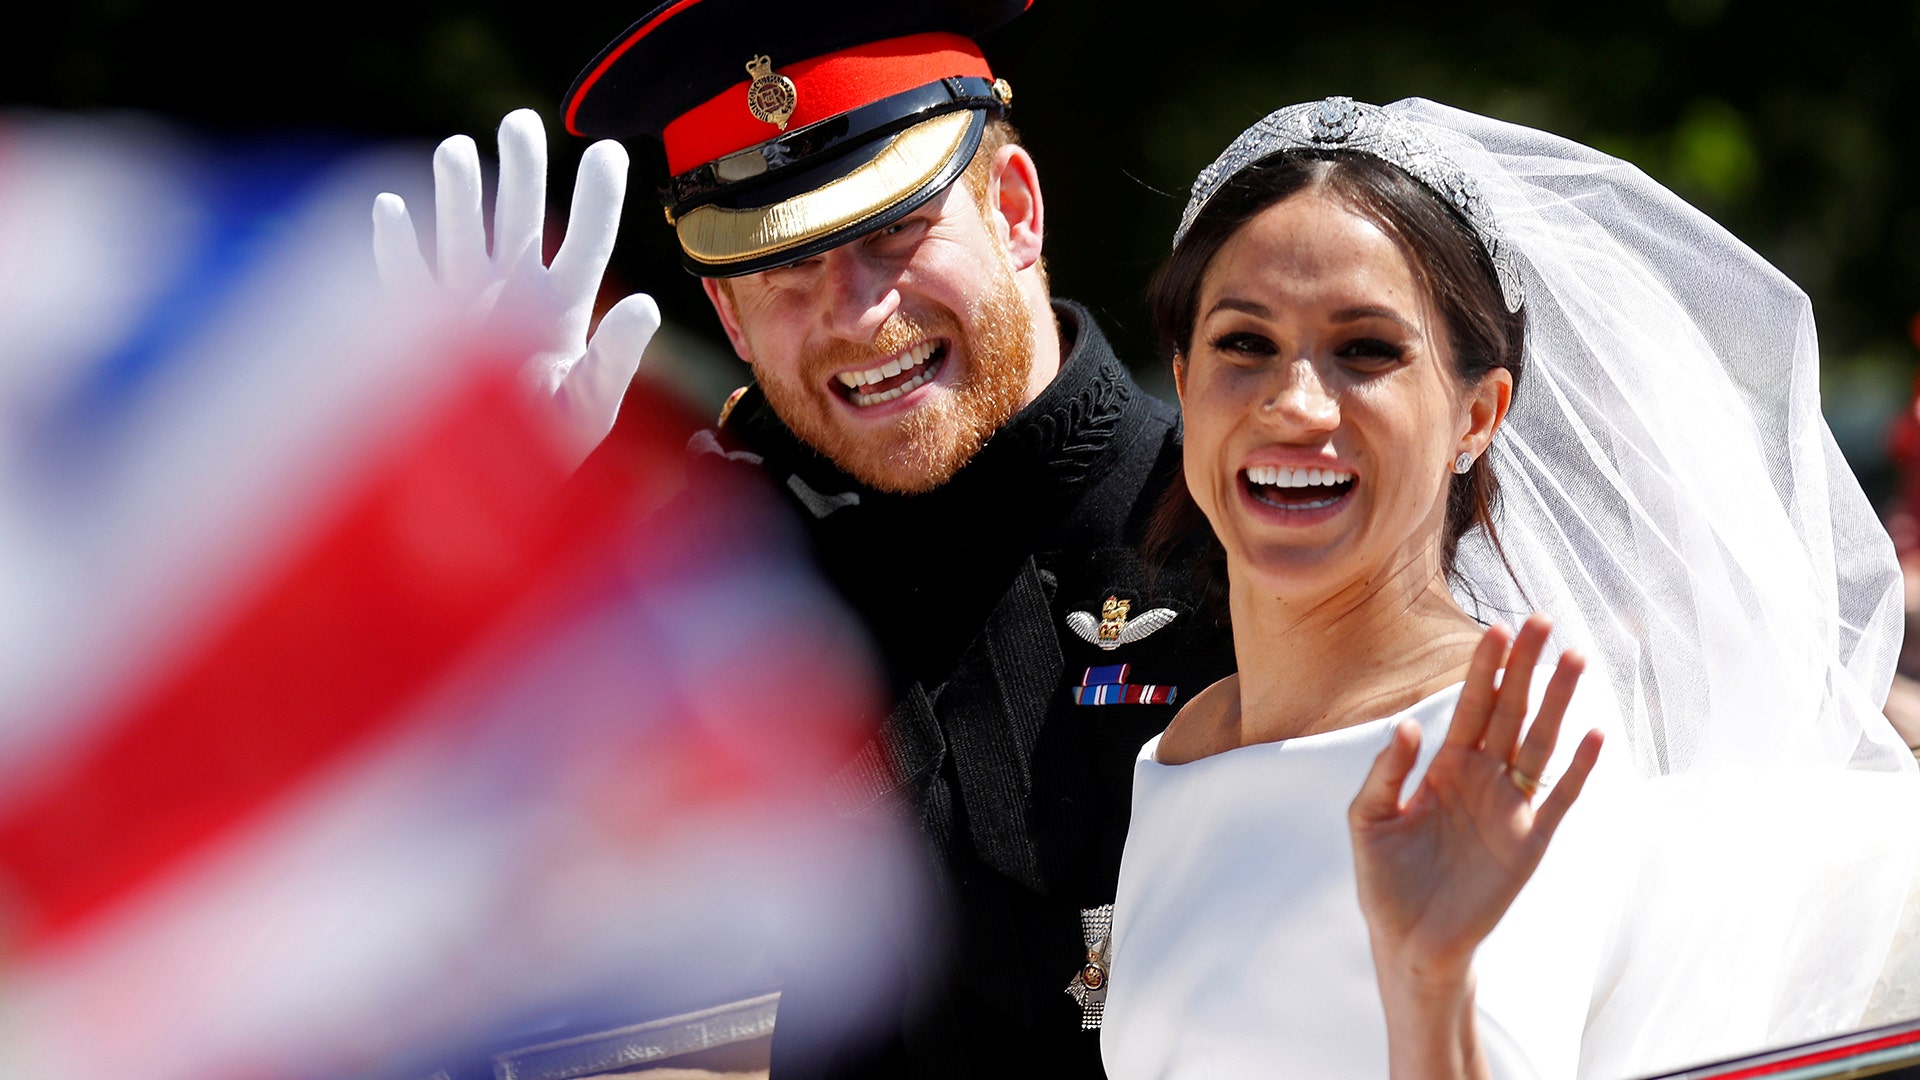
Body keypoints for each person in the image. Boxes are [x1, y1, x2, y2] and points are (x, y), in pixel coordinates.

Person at [372, 2, 1234, 1076]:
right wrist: (489, 592)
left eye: (892, 234)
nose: (857, 315)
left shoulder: (1237, 528)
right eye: (782, 270)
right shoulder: (697, 584)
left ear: (1013, 210)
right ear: (729, 317)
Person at [1099, 97, 1920, 1078]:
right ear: (1183, 381)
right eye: (1244, 344)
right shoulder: (1192, 741)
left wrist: (1429, 986)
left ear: (1478, 415)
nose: (1296, 404)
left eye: (1366, 350)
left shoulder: (1506, 742)